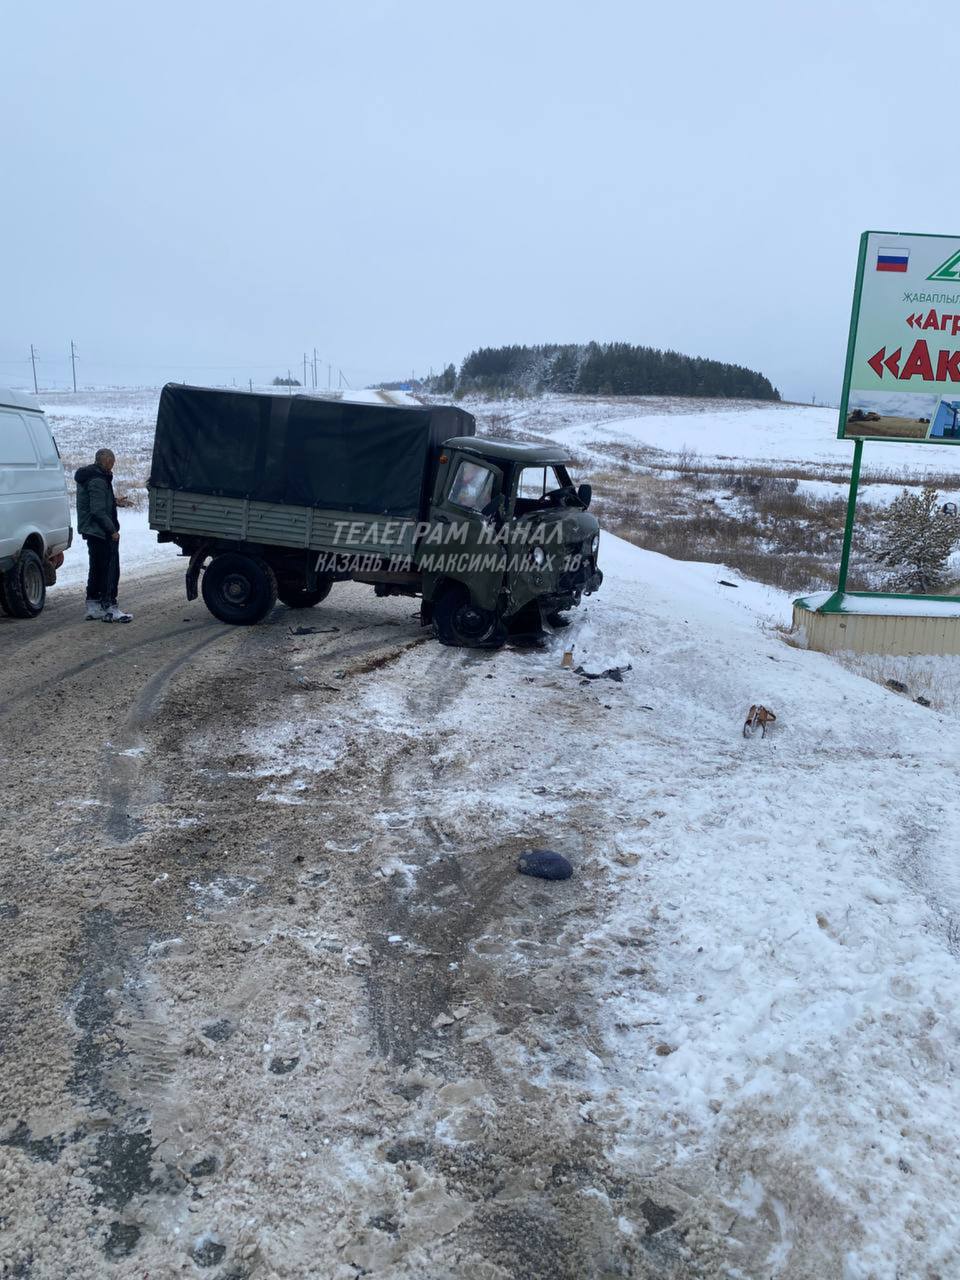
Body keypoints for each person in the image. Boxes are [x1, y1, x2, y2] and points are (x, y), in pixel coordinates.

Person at [74, 448, 132, 622]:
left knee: (97, 568)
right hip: (100, 531)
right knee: (109, 570)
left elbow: (96, 502)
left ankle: (93, 605)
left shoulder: (91, 476)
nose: (113, 465)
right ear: (106, 461)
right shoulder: (98, 480)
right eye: (112, 462)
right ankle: (110, 607)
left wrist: (114, 502)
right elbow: (98, 511)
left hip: (93, 531)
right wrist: (112, 531)